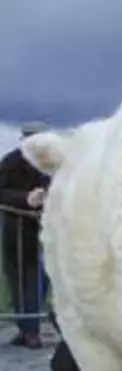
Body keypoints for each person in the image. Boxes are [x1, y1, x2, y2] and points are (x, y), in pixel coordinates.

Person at [0, 121, 51, 349]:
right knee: (17, 277)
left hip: (43, 227)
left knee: (36, 277)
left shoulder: (50, 163)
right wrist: (25, 198)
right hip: (15, 227)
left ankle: (32, 330)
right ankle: (25, 328)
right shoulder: (11, 162)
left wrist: (45, 196)